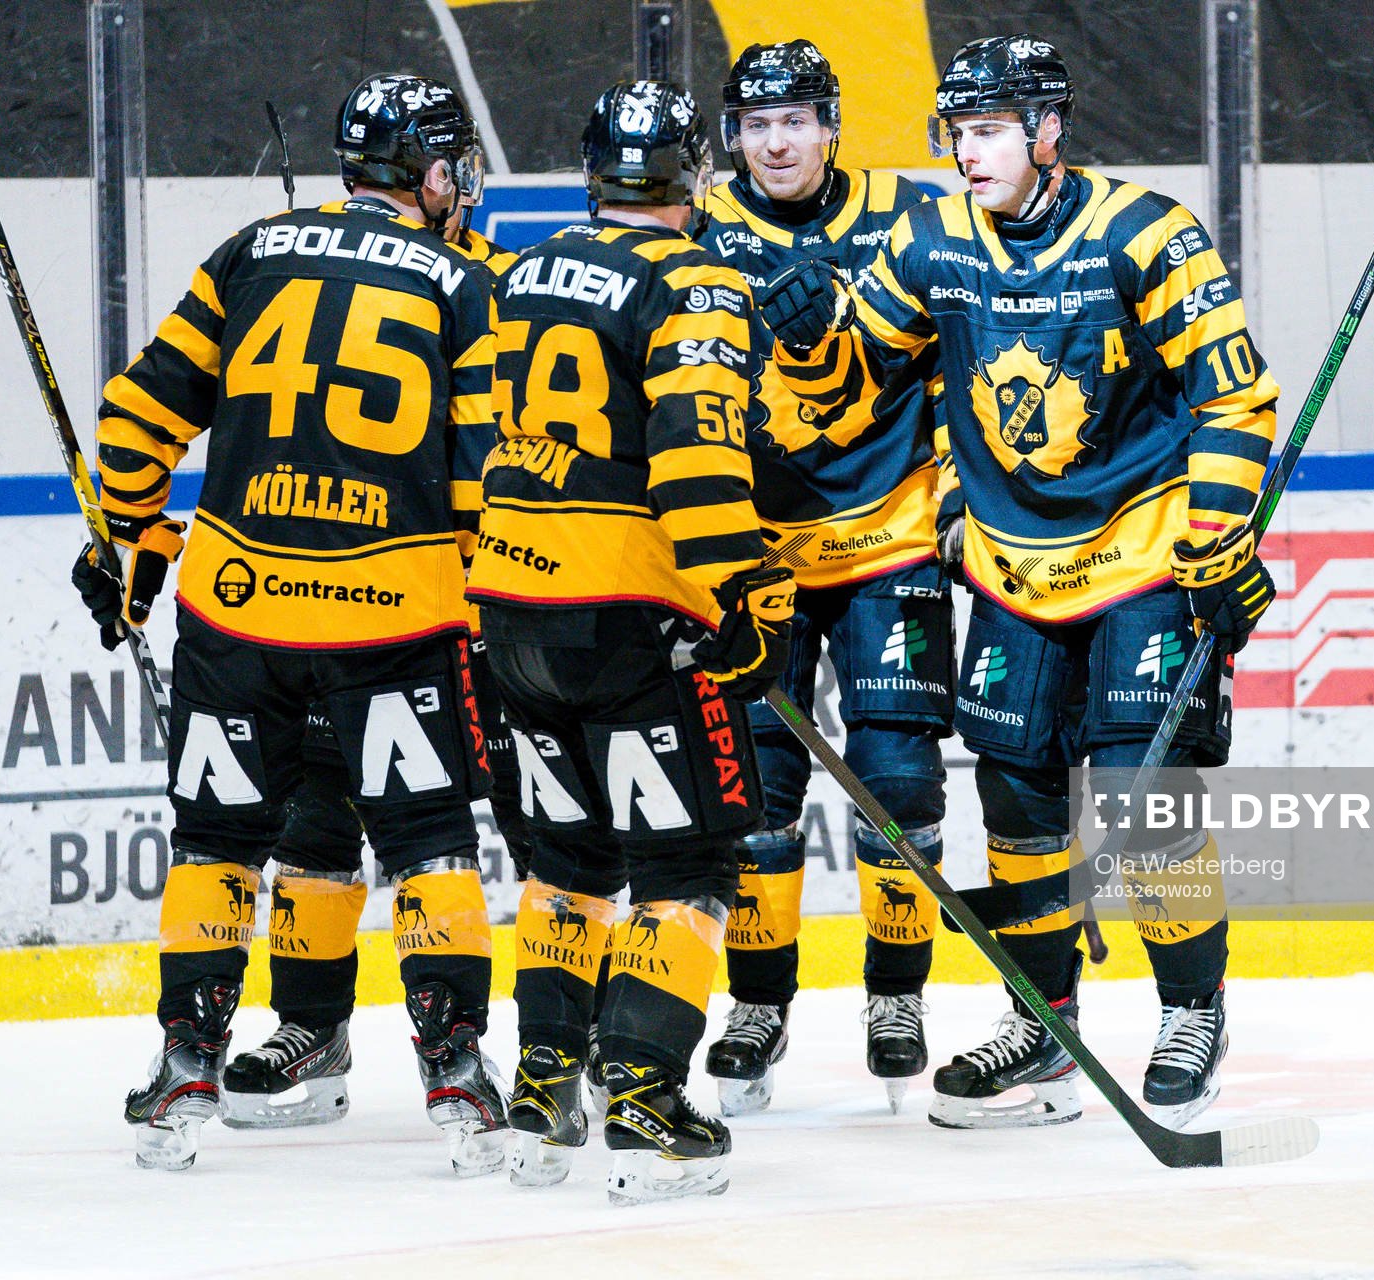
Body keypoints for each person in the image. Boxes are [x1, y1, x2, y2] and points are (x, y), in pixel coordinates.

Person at [756, 35, 1279, 1130]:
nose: (967, 153)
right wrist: (809, 347)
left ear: (1048, 131)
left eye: (990, 130)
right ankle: (1044, 1025)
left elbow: (1233, 398)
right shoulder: (931, 239)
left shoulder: (1149, 234)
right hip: (1010, 569)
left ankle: (1193, 1012)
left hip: (1142, 554)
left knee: (1142, 797)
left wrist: (1218, 541)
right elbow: (856, 387)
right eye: (957, 132)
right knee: (1018, 803)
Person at [71, 72, 511, 1174]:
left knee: (216, 840)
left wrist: (129, 536)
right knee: (427, 840)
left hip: (238, 613)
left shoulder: (249, 251)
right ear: (435, 174)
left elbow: (140, 411)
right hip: (394, 612)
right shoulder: (466, 285)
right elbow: (483, 479)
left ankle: (187, 1057)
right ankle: (455, 1066)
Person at [466, 80, 792, 1203]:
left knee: (568, 860)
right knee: (685, 864)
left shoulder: (522, 270)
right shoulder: (697, 282)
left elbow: (478, 433)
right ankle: (647, 1102)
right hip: (631, 619)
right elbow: (698, 465)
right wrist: (745, 596)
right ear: (696, 174)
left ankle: (544, 1087)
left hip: (510, 606)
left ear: (593, 172)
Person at [217, 164, 538, 1132]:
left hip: (465, 604)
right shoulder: (349, 265)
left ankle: (569, 1036)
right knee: (316, 816)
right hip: (344, 599)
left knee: (527, 825)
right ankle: (311, 1027)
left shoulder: (495, 283)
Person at [693, 39, 953, 1117]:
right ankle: (759, 1004)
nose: (776, 142)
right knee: (755, 796)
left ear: (832, 125)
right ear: (731, 137)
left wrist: (960, 491)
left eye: (795, 120)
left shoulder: (912, 216)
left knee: (899, 778)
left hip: (891, 536)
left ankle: (896, 994)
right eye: (756, 125)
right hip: (756, 555)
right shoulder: (698, 227)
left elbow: (962, 357)